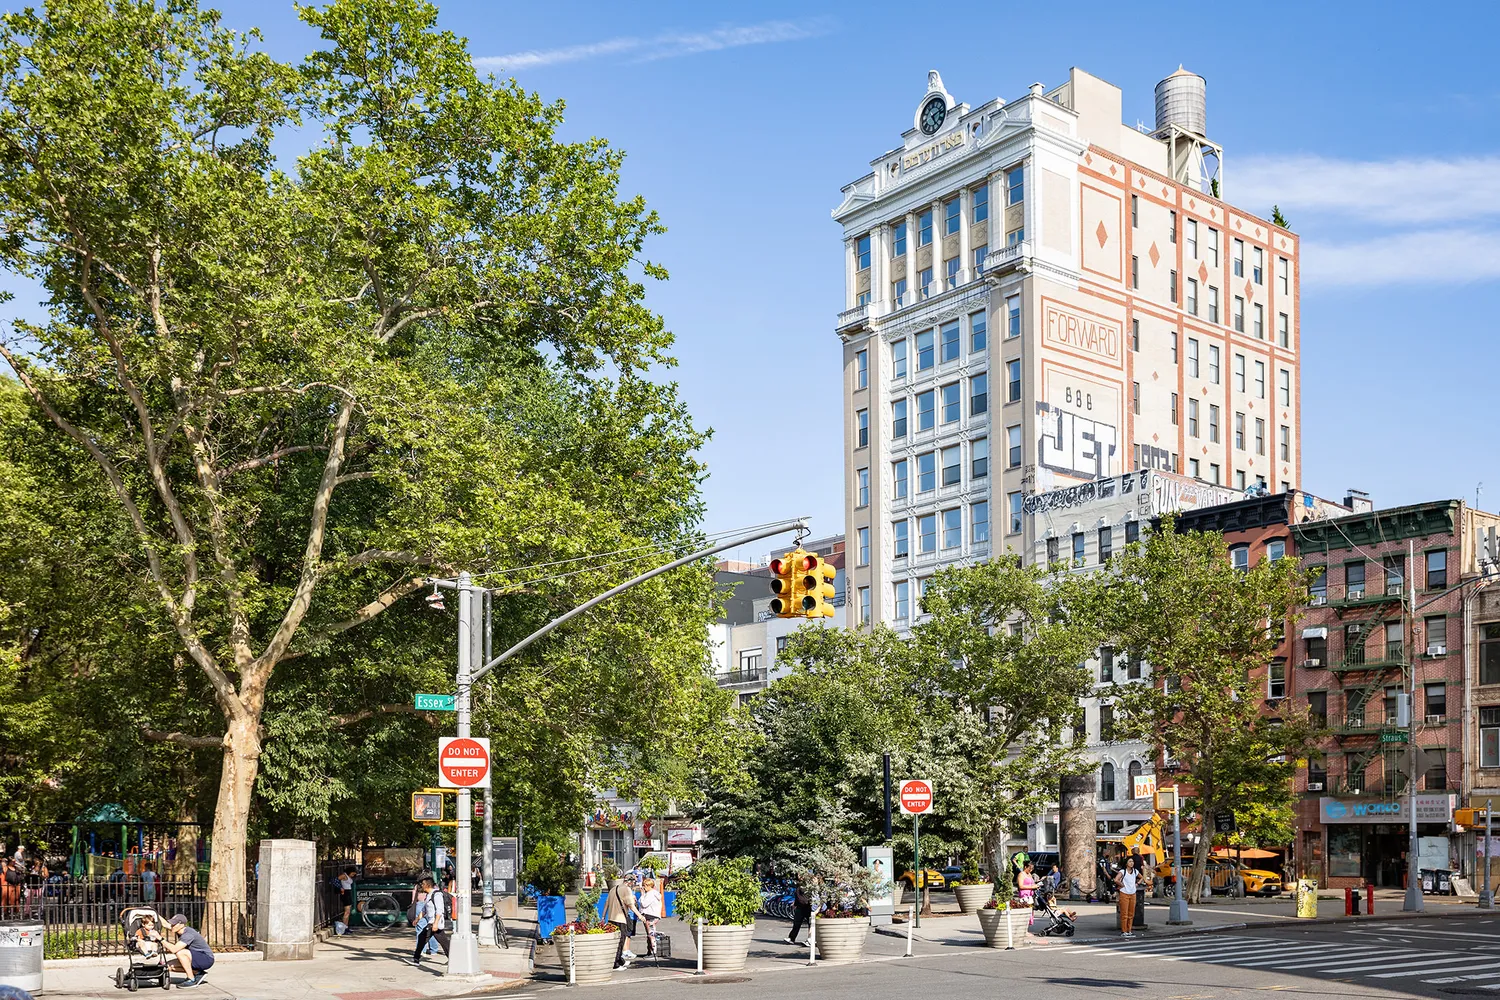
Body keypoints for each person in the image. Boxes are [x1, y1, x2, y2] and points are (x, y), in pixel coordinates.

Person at [164, 913, 215, 988]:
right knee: (167, 966)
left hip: (206, 959)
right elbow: (165, 924)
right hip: (195, 957)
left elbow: (174, 949)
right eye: (172, 924)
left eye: (174, 924)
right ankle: (198, 973)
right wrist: (153, 913)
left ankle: (191, 979)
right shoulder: (178, 929)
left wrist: (160, 939)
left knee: (180, 952)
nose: (172, 926)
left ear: (181, 925)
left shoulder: (188, 934)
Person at [604, 874, 641, 969]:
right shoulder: (627, 889)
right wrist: (640, 915)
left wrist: (603, 916)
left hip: (611, 919)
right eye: (633, 882)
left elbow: (607, 903)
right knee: (620, 942)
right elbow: (631, 905)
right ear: (630, 882)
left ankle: (620, 961)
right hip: (621, 919)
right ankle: (616, 964)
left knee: (614, 942)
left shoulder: (613, 889)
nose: (633, 884)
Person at [411, 877, 451, 965]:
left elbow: (439, 910)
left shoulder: (437, 895)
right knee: (443, 942)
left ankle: (416, 959)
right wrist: (417, 919)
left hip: (435, 923)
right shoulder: (428, 895)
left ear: (427, 885)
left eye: (423, 884)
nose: (421, 886)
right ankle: (416, 959)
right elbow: (424, 910)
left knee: (425, 939)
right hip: (431, 923)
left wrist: (436, 923)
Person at [1113, 856, 1139, 938]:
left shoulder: (1135, 871)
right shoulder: (1123, 871)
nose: (1132, 863)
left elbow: (1142, 877)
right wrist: (1121, 885)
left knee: (1131, 913)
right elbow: (1116, 879)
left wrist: (1137, 883)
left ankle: (1129, 930)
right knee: (1124, 913)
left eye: (1132, 861)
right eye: (1130, 861)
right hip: (1124, 893)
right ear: (1126, 863)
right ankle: (1124, 931)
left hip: (1133, 893)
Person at [638, 878, 664, 956]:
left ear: (649, 886)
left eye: (645, 885)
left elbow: (644, 904)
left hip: (650, 915)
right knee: (650, 933)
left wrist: (642, 895)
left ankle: (653, 951)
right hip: (652, 915)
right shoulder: (653, 893)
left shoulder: (650, 894)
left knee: (651, 933)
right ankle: (650, 951)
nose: (644, 887)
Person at [1129, 848, 1149, 930]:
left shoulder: (1130, 858)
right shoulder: (1141, 858)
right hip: (1138, 876)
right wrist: (1141, 879)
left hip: (1131, 876)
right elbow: (1143, 867)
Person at [337, 867, 356, 933]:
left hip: (348, 892)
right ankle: (344, 927)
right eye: (352, 874)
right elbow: (335, 880)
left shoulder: (348, 876)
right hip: (345, 893)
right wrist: (340, 888)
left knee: (348, 911)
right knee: (347, 911)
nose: (352, 875)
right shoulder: (344, 876)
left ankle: (346, 926)